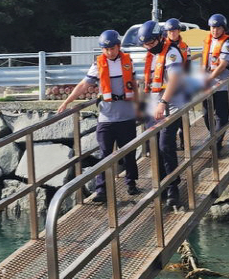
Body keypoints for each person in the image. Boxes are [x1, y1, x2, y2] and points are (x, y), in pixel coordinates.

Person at [58, 29, 140, 203]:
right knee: (105, 154)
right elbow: (83, 85)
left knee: (129, 153)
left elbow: (133, 84)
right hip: (106, 118)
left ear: (118, 46)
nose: (110, 52)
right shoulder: (98, 65)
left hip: (126, 117)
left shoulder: (127, 62)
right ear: (102, 49)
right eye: (106, 49)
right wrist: (67, 102)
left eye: (113, 48)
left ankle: (131, 183)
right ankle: (102, 190)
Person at [139, 20, 185, 209]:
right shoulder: (151, 56)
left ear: (159, 38)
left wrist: (163, 102)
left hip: (170, 105)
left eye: (151, 43)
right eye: (145, 44)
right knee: (154, 147)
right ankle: (161, 186)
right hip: (153, 107)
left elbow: (174, 79)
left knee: (166, 145)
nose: (149, 47)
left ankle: (173, 188)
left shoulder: (172, 53)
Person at [202, 13, 229, 153]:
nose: (215, 30)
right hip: (207, 85)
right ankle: (213, 137)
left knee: (221, 115)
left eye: (218, 28)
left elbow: (222, 65)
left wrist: (210, 78)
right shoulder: (208, 41)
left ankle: (216, 143)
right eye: (212, 28)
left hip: (221, 85)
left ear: (223, 29)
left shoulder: (226, 44)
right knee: (206, 114)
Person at [164, 18, 192, 149]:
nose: (172, 33)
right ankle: (171, 141)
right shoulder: (163, 46)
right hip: (166, 86)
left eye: (174, 30)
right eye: (169, 31)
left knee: (183, 114)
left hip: (182, 85)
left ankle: (184, 140)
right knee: (168, 116)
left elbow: (188, 66)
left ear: (178, 31)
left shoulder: (185, 47)